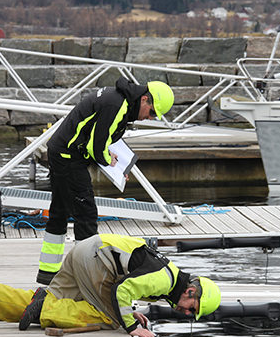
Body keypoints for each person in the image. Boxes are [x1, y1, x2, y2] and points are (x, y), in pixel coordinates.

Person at [36, 78, 175, 285]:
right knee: (87, 215)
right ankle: (86, 277)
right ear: (144, 99)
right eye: (152, 112)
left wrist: (120, 166)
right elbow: (97, 146)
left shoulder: (119, 99)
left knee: (60, 211)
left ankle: (49, 272)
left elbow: (100, 137)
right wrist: (110, 162)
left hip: (62, 151)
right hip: (68, 157)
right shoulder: (118, 104)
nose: (150, 118)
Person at [0, 234, 220, 337]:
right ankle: (45, 305)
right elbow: (120, 291)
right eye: (192, 310)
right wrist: (131, 327)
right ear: (190, 292)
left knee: (48, 301)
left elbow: (128, 284)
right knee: (109, 319)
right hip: (96, 261)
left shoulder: (168, 275)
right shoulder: (164, 280)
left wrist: (132, 314)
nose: (187, 313)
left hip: (86, 251)